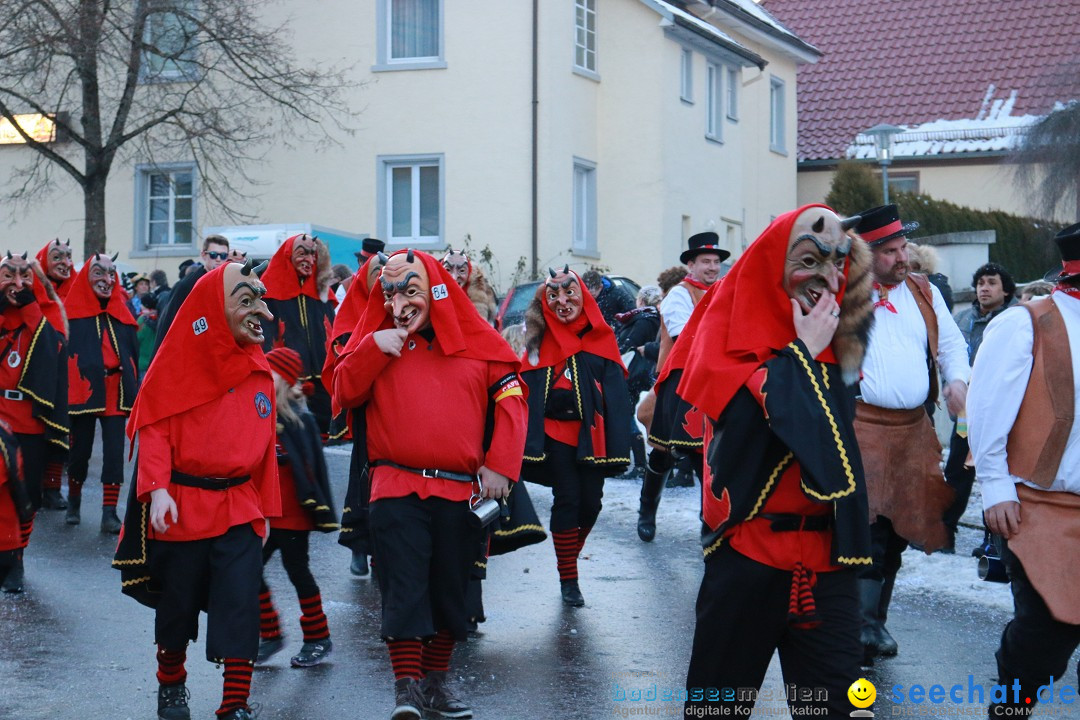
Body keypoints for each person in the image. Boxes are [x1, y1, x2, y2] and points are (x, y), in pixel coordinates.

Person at [679, 204, 874, 719]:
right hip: (750, 557)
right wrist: (801, 354)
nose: (827, 278)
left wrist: (814, 353)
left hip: (828, 567)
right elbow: (768, 427)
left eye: (838, 262)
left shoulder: (837, 346)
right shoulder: (731, 347)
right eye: (810, 259)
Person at [332, 249, 526, 720]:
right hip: (394, 486)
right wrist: (373, 349)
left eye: (409, 289)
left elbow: (514, 401)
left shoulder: (477, 343)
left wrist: (501, 465)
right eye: (390, 291)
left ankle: (437, 681)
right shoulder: (376, 342)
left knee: (451, 591)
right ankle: (407, 688)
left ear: (435, 290)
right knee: (403, 588)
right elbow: (341, 393)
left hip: (460, 491)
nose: (399, 301)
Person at [113, 259, 281, 720]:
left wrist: (265, 509)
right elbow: (153, 428)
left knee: (240, 603)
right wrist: (157, 490)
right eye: (248, 301)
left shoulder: (258, 370)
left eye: (261, 300)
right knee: (177, 607)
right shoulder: (175, 367)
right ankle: (171, 685)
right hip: (183, 507)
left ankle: (235, 703)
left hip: (240, 507)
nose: (262, 313)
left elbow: (266, 448)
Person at [968, 222, 1080, 718]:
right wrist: (995, 486)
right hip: (1042, 507)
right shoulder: (1028, 321)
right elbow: (987, 405)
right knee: (1042, 640)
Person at [851, 203, 970, 663]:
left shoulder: (922, 290)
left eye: (904, 247)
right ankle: (862, 626)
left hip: (912, 427)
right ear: (866, 254)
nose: (903, 258)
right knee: (870, 526)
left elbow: (952, 344)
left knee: (900, 528)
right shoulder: (844, 292)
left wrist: (957, 379)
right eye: (891, 251)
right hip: (862, 425)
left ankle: (873, 619)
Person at [520, 266, 631, 606]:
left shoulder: (601, 338)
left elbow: (615, 395)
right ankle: (569, 577)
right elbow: (525, 385)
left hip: (592, 437)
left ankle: (568, 557)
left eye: (570, 294)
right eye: (554, 296)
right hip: (554, 436)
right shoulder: (538, 341)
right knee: (568, 498)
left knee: (591, 503)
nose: (563, 301)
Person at [639, 232, 730, 542]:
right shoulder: (679, 294)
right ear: (691, 264)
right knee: (663, 453)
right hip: (680, 381)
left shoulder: (725, 291)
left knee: (707, 457)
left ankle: (711, 524)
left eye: (717, 262)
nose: (713, 267)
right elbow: (687, 337)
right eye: (706, 261)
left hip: (714, 382)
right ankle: (647, 511)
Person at [256, 347, 338, 668]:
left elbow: (308, 470)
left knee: (298, 573)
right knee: (248, 570)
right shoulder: (261, 411)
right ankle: (271, 632)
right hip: (264, 514)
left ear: (282, 379)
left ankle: (318, 637)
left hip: (291, 516)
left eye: (269, 371)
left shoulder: (298, 419)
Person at [0, 253, 69, 592]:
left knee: (26, 496)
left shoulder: (45, 315)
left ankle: (18, 557)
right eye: (8, 275)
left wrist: (30, 308)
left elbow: (54, 348)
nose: (17, 283)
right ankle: (7, 560)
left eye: (24, 276)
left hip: (29, 418)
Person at [64, 253, 139, 532]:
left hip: (115, 391)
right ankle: (74, 501)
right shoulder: (72, 317)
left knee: (114, 453)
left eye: (112, 273)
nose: (107, 280)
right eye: (100, 273)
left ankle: (109, 513)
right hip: (84, 391)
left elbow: (132, 354)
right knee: (79, 450)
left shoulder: (123, 314)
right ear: (87, 276)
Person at [324, 252, 387, 577]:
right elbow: (342, 354)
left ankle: (380, 552)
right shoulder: (351, 311)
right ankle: (360, 547)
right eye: (378, 270)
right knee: (364, 478)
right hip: (366, 408)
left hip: (393, 406)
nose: (383, 276)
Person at [945, 262, 1016, 553]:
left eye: (992, 282)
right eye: (980, 283)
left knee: (997, 474)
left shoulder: (1015, 320)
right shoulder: (962, 319)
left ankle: (994, 542)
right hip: (966, 413)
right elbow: (948, 355)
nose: (984, 288)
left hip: (1001, 413)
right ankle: (943, 532)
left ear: (1006, 289)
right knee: (956, 474)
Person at [260, 233, 336, 435]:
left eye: (313, 254)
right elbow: (265, 338)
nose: (309, 260)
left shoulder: (321, 293)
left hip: (322, 377)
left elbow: (332, 330)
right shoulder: (271, 295)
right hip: (288, 380)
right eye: (302, 254)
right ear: (288, 256)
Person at [30, 240, 72, 510]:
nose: (65, 262)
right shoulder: (35, 291)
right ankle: (36, 486)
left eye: (68, 257)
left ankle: (54, 487)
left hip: (73, 372)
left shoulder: (79, 289)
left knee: (63, 431)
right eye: (58, 257)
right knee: (38, 429)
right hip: (43, 368)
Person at [152, 235, 232, 355]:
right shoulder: (187, 285)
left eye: (223, 255)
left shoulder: (228, 284)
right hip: (190, 351)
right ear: (204, 255)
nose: (218, 259)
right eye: (214, 254)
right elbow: (168, 324)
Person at [614, 285, 662, 477]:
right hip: (646, 372)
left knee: (626, 414)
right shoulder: (658, 318)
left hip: (635, 373)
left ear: (641, 300)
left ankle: (640, 464)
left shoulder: (643, 319)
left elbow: (628, 345)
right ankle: (644, 462)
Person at [441, 247, 498, 325]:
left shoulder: (478, 288)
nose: (454, 277)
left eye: (461, 271)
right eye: (448, 270)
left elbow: (482, 326)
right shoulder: (435, 287)